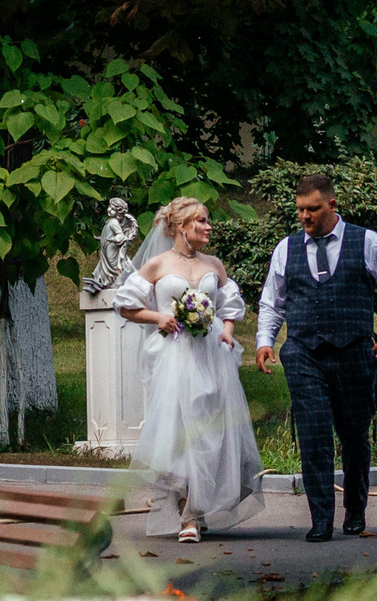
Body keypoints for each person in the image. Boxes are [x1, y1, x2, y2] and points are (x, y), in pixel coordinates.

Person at [255, 173, 377, 542]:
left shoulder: (366, 242)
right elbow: (272, 302)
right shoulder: (287, 249)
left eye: (312, 209)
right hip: (303, 353)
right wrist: (265, 340)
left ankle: (355, 509)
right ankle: (321, 519)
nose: (305, 216)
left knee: (355, 437)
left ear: (332, 205)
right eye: (300, 210)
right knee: (313, 436)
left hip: (354, 352)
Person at [109, 196, 266, 542]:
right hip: (175, 357)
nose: (209, 227)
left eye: (207, 221)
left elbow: (230, 306)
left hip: (212, 355)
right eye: (202, 221)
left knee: (212, 430)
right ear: (182, 226)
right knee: (181, 429)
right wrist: (158, 317)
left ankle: (201, 504)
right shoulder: (157, 264)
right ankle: (189, 515)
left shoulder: (213, 264)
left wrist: (227, 330)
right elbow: (125, 305)